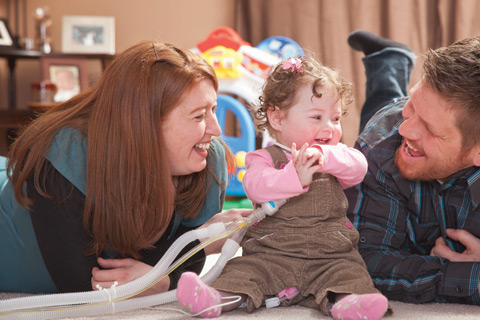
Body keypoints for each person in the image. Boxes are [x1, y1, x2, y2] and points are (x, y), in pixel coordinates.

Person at [0, 41, 250, 294]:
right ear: (145, 124)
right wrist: (197, 242)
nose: (217, 129)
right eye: (198, 116)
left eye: (213, 109)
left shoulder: (205, 159)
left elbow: (185, 272)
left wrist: (163, 279)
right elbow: (84, 286)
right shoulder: (63, 156)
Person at [176, 56, 389, 319]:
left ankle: (349, 302)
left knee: (350, 274)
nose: (329, 127)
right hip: (271, 253)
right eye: (317, 117)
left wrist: (325, 156)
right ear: (277, 119)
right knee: (244, 272)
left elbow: (359, 167)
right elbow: (255, 186)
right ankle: (216, 298)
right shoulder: (264, 158)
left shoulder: (335, 156)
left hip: (331, 255)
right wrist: (293, 178)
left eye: (335, 118)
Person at [345, 30, 480, 305]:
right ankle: (389, 62)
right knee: (384, 110)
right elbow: (363, 259)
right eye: (413, 102)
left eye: (430, 128)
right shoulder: (381, 143)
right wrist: (469, 277)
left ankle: (391, 60)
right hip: (382, 138)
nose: (405, 128)